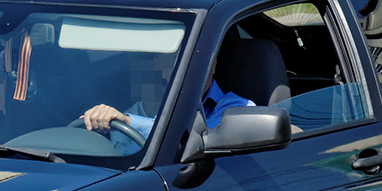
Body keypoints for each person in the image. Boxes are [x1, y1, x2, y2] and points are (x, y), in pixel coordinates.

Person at [81, 55, 253, 138]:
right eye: (170, 64)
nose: (179, 73)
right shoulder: (144, 110)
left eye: (190, 63)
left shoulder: (239, 109)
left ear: (213, 65)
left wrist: (127, 122)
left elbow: (191, 139)